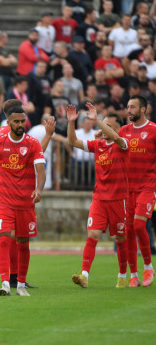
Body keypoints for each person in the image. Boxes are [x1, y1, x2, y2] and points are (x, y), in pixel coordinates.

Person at [0, 99, 53, 290]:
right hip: (4, 192)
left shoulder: (21, 136)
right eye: (17, 119)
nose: (20, 123)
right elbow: (21, 155)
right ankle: (5, 276)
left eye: (22, 118)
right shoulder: (2, 136)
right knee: (6, 236)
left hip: (19, 194)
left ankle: (7, 276)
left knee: (15, 237)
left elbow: (31, 153)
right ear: (9, 118)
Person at [68, 104, 129, 288]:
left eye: (107, 125)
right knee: (92, 234)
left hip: (118, 200)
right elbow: (73, 142)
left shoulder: (122, 145)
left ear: (116, 128)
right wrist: (71, 123)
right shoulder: (98, 145)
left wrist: (97, 120)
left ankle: (122, 276)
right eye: (103, 124)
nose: (103, 128)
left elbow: (116, 138)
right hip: (99, 199)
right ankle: (84, 275)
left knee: (120, 238)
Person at [120, 95, 156, 287]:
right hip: (127, 189)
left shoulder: (153, 130)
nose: (129, 110)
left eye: (132, 107)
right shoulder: (124, 131)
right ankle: (133, 274)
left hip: (147, 186)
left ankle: (148, 268)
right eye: (128, 107)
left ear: (143, 109)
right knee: (128, 230)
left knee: (139, 226)